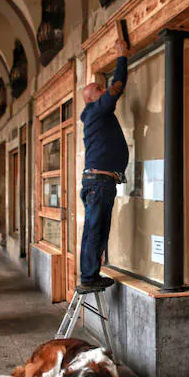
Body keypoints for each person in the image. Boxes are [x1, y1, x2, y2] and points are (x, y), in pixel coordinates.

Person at [78, 38, 129, 291]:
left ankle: (90, 275)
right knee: (95, 230)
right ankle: (88, 277)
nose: (103, 88)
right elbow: (116, 89)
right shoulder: (96, 110)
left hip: (98, 182)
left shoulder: (94, 114)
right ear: (91, 98)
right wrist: (121, 57)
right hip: (99, 184)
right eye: (98, 88)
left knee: (94, 230)